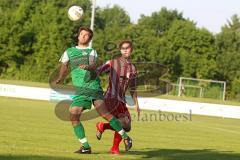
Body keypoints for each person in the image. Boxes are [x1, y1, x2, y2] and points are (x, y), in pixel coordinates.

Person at [55, 27, 132, 154]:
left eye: (86, 35)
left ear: (89, 39)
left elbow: (94, 64)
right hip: (81, 90)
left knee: (105, 114)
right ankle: (86, 146)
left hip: (93, 87)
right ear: (78, 36)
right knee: (74, 115)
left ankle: (125, 137)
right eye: (81, 34)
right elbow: (64, 65)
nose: (83, 36)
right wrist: (60, 78)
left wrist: (88, 67)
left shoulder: (91, 51)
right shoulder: (69, 52)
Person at [96, 40, 140, 155]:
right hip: (110, 98)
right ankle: (115, 148)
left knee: (127, 125)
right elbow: (98, 71)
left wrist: (136, 104)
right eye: (123, 48)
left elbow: (133, 88)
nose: (125, 50)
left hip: (121, 100)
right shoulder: (112, 63)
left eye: (128, 48)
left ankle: (103, 126)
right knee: (122, 122)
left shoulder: (133, 69)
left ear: (131, 50)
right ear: (120, 50)